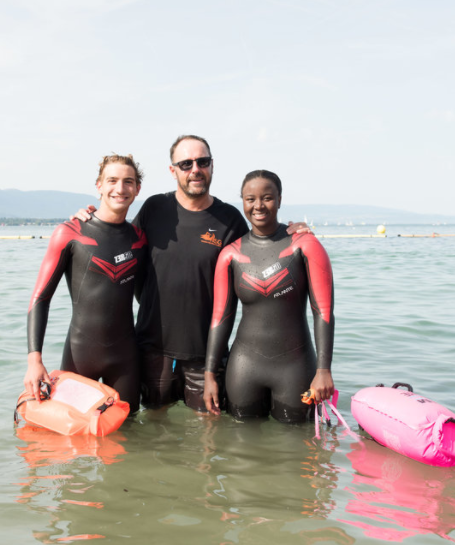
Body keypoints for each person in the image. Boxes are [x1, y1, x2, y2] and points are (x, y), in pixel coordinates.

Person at [74, 136, 312, 413]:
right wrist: (92, 220)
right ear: (173, 170)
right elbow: (121, 245)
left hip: (206, 357)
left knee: (209, 433)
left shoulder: (230, 219)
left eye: (203, 162)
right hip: (152, 350)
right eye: (186, 164)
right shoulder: (154, 208)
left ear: (212, 165)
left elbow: (262, 250)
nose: (195, 169)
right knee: (153, 427)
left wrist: (290, 234)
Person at [203, 170, 335, 423]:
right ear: (243, 202)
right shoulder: (230, 255)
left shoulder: (305, 245)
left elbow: (323, 311)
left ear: (280, 200)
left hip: (295, 367)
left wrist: (323, 370)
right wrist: (209, 375)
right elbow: (220, 318)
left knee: (296, 442)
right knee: (239, 441)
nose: (258, 206)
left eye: (267, 198)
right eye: (250, 199)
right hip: (243, 367)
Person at [24, 154, 147, 412]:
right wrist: (34, 361)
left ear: (137, 189)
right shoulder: (70, 232)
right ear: (99, 186)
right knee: (72, 433)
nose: (120, 188)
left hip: (126, 359)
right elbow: (41, 299)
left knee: (128, 433)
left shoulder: (139, 238)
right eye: (112, 180)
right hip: (80, 355)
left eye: (128, 181)